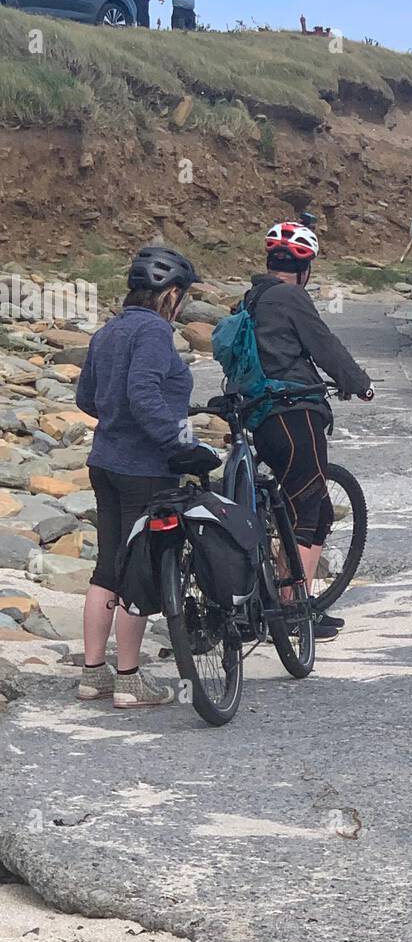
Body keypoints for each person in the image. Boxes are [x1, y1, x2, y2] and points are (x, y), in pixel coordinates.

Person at [75, 245, 220, 708]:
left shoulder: (108, 332)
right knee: (137, 572)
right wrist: (182, 446)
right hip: (145, 469)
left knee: (108, 567)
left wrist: (117, 419)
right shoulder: (155, 332)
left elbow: (86, 399)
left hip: (106, 462)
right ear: (171, 294)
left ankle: (93, 673)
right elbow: (144, 394)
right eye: (183, 296)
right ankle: (130, 680)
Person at [239, 222, 373, 640]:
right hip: (295, 414)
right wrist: (357, 382)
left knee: (289, 505)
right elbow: (323, 344)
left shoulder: (250, 300)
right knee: (309, 511)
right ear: (305, 268)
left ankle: (268, 599)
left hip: (260, 418)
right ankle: (295, 611)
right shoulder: (290, 297)